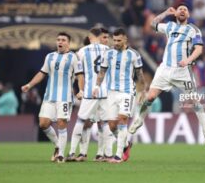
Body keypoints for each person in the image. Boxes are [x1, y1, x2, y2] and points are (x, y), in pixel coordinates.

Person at [129, 5, 205, 144]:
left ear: (188, 14)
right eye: (180, 9)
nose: (182, 10)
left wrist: (188, 60)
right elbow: (152, 24)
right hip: (165, 69)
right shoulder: (169, 26)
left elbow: (198, 49)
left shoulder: (193, 30)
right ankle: (139, 120)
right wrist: (165, 13)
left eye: (185, 9)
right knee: (150, 96)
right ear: (175, 14)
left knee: (195, 101)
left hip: (183, 71)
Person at [21, 32, 83, 163]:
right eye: (58, 40)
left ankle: (60, 155)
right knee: (43, 123)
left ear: (68, 43)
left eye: (63, 40)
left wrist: (81, 90)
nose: (60, 42)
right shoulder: (49, 56)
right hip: (49, 96)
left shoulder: (74, 57)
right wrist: (29, 85)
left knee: (61, 123)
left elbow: (80, 75)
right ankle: (57, 145)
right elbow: (42, 73)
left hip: (65, 97)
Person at [93, 28, 146, 163]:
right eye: (114, 40)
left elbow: (140, 75)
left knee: (122, 119)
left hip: (127, 92)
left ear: (125, 39)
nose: (116, 43)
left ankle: (118, 155)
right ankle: (126, 145)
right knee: (112, 125)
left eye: (119, 40)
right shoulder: (108, 53)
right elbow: (102, 72)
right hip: (111, 93)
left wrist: (143, 91)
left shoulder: (134, 54)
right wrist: (96, 86)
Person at [66, 28, 112, 162]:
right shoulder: (109, 50)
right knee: (105, 124)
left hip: (90, 91)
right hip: (105, 92)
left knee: (80, 120)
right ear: (100, 36)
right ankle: (107, 155)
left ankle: (72, 152)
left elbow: (73, 61)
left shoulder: (83, 51)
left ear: (91, 37)